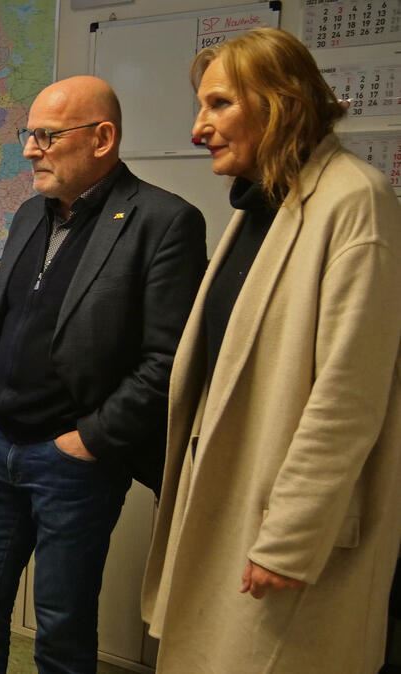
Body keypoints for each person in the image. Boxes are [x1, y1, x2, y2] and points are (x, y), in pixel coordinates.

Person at [141, 28, 401, 674]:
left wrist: (288, 539)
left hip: (284, 537)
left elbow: (349, 396)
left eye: (219, 104)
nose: (199, 128)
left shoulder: (355, 202)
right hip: (228, 505)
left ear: (280, 102)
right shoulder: (259, 206)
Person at [0, 75, 207, 673]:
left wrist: (88, 440)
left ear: (102, 138)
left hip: (72, 460)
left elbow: (168, 360)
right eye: (28, 134)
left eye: (45, 135)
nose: (28, 149)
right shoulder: (27, 215)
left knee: (62, 625)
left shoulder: (163, 222)